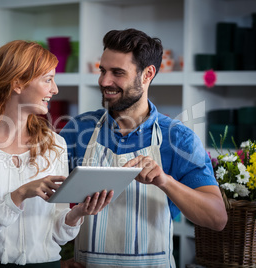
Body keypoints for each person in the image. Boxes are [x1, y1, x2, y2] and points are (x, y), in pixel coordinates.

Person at [59, 29, 228, 267]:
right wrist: (53, 263)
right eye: (102, 70)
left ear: (148, 74)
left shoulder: (178, 138)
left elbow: (217, 218)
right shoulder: (77, 130)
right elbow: (40, 202)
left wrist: (165, 181)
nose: (104, 81)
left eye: (117, 73)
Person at [0, 40, 113, 268]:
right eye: (48, 80)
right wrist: (20, 194)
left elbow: (56, 233)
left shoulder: (55, 145)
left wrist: (76, 214)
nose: (55, 90)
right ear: (17, 84)